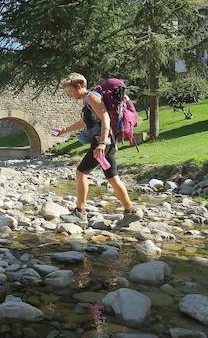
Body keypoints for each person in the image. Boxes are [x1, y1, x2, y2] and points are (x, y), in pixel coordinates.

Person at [52, 73, 142, 227]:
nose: (70, 96)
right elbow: (84, 122)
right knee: (112, 177)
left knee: (81, 173)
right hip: (108, 142)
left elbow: (105, 118)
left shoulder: (92, 98)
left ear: (79, 86)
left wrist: (101, 143)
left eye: (70, 92)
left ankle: (80, 212)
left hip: (102, 142)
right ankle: (130, 211)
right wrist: (64, 130)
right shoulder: (89, 100)